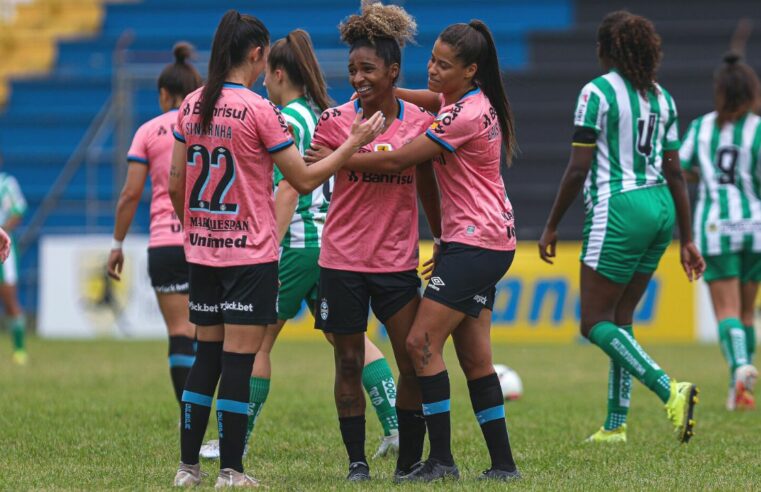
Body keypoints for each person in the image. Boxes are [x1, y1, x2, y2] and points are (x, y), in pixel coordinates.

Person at [167, 10, 384, 487]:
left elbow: (176, 181)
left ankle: (186, 469)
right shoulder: (258, 110)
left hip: (203, 252)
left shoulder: (192, 105)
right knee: (238, 362)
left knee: (206, 358)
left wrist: (196, 229)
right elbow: (303, 179)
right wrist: (352, 144)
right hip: (249, 255)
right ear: (256, 53)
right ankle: (231, 471)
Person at [309, 18, 522, 482]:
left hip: (475, 240)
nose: (432, 70)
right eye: (430, 59)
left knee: (420, 344)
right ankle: (503, 466)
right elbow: (413, 99)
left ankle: (441, 460)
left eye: (443, 65)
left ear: (471, 71)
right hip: (481, 238)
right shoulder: (457, 100)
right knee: (475, 357)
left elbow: (401, 160)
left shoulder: (460, 114)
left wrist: (342, 154)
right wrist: (375, 85)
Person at [537, 11, 705, 444]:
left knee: (593, 321)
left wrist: (551, 225)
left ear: (607, 50)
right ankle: (615, 425)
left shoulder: (596, 92)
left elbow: (578, 169)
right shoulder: (663, 98)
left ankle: (671, 389)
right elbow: (675, 173)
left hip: (620, 208)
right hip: (661, 207)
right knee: (621, 318)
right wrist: (687, 239)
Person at [307, 2, 442, 481]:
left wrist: (440, 235)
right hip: (341, 259)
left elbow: (424, 182)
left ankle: (407, 462)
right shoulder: (334, 120)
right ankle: (357, 463)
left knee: (410, 358)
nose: (358, 78)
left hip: (395, 261)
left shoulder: (418, 122)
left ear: (392, 71)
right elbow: (310, 172)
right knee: (347, 360)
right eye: (352, 70)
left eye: (368, 69)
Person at [107, 42, 202, 407]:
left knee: (179, 332)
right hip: (209, 240)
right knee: (210, 333)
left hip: (165, 242)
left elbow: (130, 194)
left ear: (163, 94)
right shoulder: (207, 127)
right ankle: (215, 411)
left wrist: (117, 244)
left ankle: (188, 416)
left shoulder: (148, 131)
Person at [680, 52, 760, 411]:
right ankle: (739, 389)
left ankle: (739, 367)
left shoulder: (701, 128)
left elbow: (680, 169)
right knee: (746, 314)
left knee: (725, 313)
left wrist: (705, 175)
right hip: (755, 226)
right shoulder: (757, 130)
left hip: (715, 227)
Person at [0, 154, 28, 365]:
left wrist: (3, 232)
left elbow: (18, 211)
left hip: (3, 248)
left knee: (9, 299)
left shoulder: (7, 183)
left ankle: (19, 350)